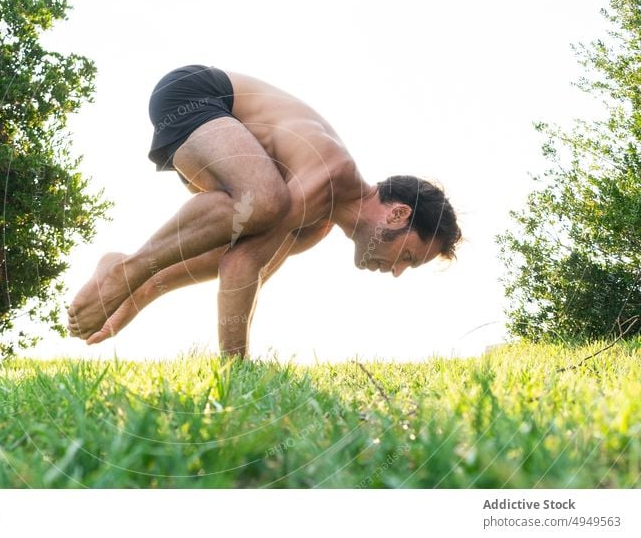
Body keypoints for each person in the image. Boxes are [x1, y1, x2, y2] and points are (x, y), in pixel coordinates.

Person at [67, 64, 461, 357]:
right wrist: (236, 369)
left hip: (223, 142)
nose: (395, 271)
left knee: (253, 208)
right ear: (397, 215)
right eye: (407, 256)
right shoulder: (331, 174)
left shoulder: (314, 227)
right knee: (265, 200)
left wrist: (137, 294)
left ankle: (127, 267)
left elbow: (231, 265)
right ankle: (129, 266)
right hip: (195, 92)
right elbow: (244, 263)